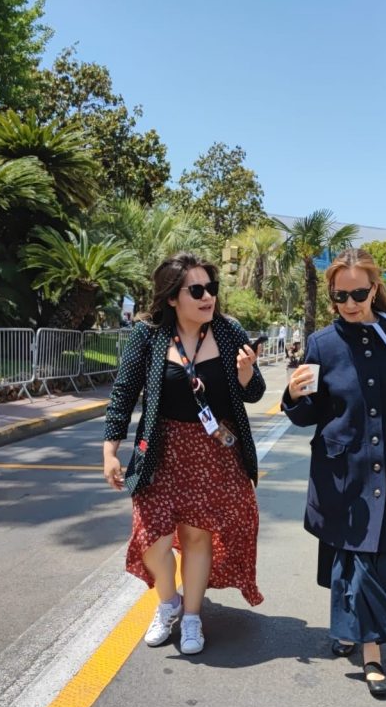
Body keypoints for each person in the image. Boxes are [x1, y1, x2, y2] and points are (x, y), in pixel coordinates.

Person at [281, 248, 386, 696]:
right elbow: (307, 415)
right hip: (340, 472)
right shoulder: (321, 344)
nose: (349, 304)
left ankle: (369, 652)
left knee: (374, 559)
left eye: (359, 294)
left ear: (375, 288)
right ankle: (360, 639)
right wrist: (293, 395)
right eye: (339, 296)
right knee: (350, 556)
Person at [103, 252, 265, 655]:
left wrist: (246, 374)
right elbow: (124, 392)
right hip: (161, 449)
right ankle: (168, 602)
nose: (207, 296)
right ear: (173, 297)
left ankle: (191, 616)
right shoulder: (149, 335)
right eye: (197, 290)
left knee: (196, 536)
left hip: (212, 452)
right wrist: (111, 450)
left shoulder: (228, 331)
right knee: (151, 539)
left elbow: (254, 391)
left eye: (211, 288)